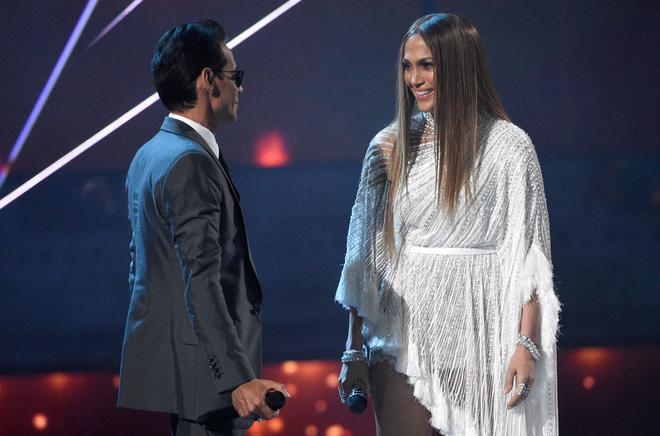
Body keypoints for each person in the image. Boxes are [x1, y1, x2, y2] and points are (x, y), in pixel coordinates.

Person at [336, 13, 560, 436]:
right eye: (407, 66)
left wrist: (526, 344)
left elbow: (531, 256)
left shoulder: (510, 146)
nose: (414, 79)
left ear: (458, 66)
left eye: (427, 65)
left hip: (483, 338)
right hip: (403, 339)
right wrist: (353, 350)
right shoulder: (388, 147)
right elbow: (361, 257)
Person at [117, 20, 288, 436]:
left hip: (181, 371)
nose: (240, 88)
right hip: (207, 382)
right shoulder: (190, 161)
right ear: (208, 81)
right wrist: (235, 379)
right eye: (235, 77)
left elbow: (145, 269)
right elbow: (201, 279)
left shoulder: (149, 154)